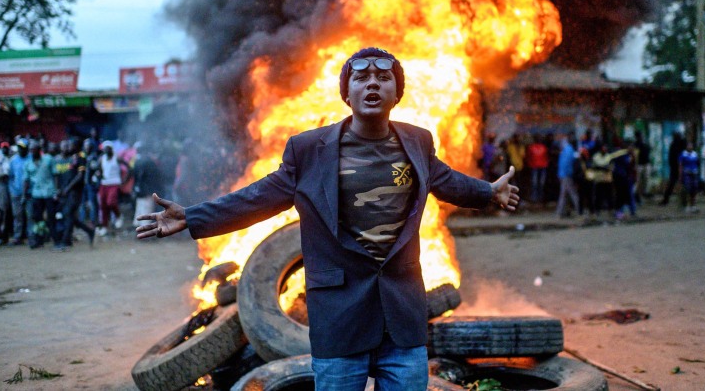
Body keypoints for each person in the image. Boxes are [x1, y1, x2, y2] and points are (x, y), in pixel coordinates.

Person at [136, 47, 519, 390]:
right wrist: (193, 216)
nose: (373, 84)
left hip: (401, 322)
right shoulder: (308, 150)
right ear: (345, 92)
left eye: (383, 78)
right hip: (340, 319)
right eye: (362, 77)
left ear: (397, 93)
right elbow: (258, 198)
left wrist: (488, 192)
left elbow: (445, 180)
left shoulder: (417, 141)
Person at [54, 139, 95, 250]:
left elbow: (80, 176)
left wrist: (67, 188)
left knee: (68, 214)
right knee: (70, 216)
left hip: (75, 191)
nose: (68, 147)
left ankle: (65, 241)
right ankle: (89, 231)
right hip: (66, 191)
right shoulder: (69, 158)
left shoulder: (80, 157)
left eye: (70, 145)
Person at [24, 142, 57, 249]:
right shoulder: (28, 164)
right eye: (31, 150)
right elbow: (26, 180)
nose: (32, 152)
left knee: (51, 217)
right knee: (37, 218)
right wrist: (24, 195)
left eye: (34, 149)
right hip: (36, 194)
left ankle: (56, 240)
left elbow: (55, 175)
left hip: (49, 192)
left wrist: (56, 191)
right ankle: (39, 240)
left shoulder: (48, 159)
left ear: (39, 150)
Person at [98, 140, 128, 236]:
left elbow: (129, 168)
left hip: (114, 183)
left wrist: (124, 180)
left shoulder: (117, 158)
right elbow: (99, 169)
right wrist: (99, 175)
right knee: (103, 206)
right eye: (104, 149)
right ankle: (104, 226)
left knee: (111, 202)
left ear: (111, 149)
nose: (105, 151)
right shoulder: (101, 159)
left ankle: (119, 216)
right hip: (104, 184)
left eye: (107, 149)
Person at [132, 142, 163, 227]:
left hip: (139, 191)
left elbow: (135, 177)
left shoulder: (137, 161)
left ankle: (139, 230)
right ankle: (145, 234)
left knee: (140, 210)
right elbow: (155, 177)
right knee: (146, 211)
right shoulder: (149, 162)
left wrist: (135, 188)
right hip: (147, 191)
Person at [7, 139, 30, 245]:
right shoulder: (13, 160)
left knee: (30, 215)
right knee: (17, 215)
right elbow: (10, 177)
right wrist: (12, 190)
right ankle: (18, 237)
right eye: (19, 147)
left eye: (23, 148)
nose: (21, 149)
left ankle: (31, 236)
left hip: (30, 193)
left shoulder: (31, 158)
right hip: (16, 193)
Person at [555, 133, 579, 218]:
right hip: (566, 175)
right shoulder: (569, 150)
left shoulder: (566, 150)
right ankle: (577, 210)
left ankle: (561, 212)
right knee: (570, 193)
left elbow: (564, 164)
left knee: (566, 194)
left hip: (564, 175)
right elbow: (567, 164)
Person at [79, 138, 101, 229]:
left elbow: (96, 170)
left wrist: (95, 183)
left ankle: (92, 222)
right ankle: (81, 222)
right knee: (82, 204)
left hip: (90, 184)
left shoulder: (94, 157)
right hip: (82, 184)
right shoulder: (82, 157)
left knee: (92, 203)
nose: (86, 147)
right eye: (85, 146)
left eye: (88, 146)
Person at [660, 131, 686, 205]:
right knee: (678, 184)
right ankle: (682, 201)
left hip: (676, 167)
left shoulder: (675, 144)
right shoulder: (679, 144)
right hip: (677, 167)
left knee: (673, 184)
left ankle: (666, 200)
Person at [525, 134, 548, 203]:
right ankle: (535, 198)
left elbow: (546, 157)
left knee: (540, 183)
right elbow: (529, 157)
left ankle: (539, 198)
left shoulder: (542, 147)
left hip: (542, 167)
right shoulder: (532, 147)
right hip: (535, 167)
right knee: (535, 183)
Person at [678, 141, 700, 213]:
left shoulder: (695, 154)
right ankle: (686, 205)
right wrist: (680, 175)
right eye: (689, 146)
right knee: (687, 189)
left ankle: (693, 205)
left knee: (694, 190)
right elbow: (680, 165)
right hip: (686, 174)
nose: (690, 147)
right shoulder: (683, 154)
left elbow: (697, 163)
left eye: (691, 146)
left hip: (694, 173)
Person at [0, 142, 11, 246]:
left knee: (1, 210)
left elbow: (5, 174)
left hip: (0, 186)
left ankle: (1, 236)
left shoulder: (3, 159)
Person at [634, 131, 651, 203]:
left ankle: (644, 193)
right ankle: (637, 196)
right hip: (639, 164)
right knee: (638, 180)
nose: (642, 137)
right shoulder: (636, 145)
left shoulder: (645, 143)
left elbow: (649, 150)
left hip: (646, 163)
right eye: (641, 135)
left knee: (646, 179)